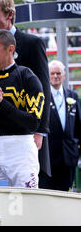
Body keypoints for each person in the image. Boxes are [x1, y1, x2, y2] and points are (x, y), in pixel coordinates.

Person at [0, 0, 51, 182]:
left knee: (25, 197)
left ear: (9, 15)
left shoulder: (32, 43)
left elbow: (44, 90)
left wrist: (40, 132)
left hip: (24, 137)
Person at [0, 30, 45, 188]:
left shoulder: (27, 77)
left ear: (10, 49)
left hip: (21, 151)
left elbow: (33, 123)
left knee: (26, 204)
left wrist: (1, 104)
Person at [41, 60, 81, 191]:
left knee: (66, 193)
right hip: (49, 158)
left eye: (58, 73)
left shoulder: (73, 96)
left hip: (68, 156)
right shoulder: (43, 96)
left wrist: (75, 145)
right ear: (48, 75)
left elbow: (79, 126)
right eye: (52, 73)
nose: (55, 76)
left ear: (64, 76)